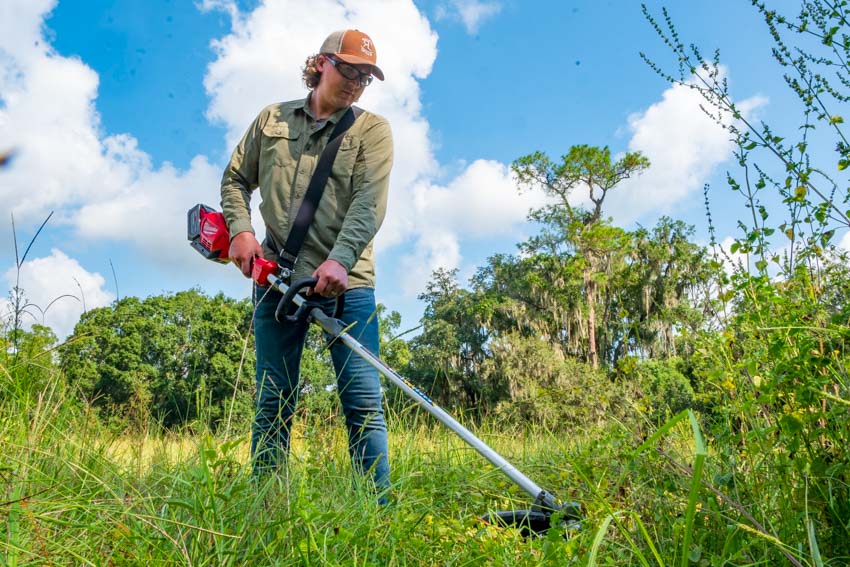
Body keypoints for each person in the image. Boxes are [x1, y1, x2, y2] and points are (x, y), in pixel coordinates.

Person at [219, 29, 393, 499]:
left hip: (347, 283)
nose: (356, 83)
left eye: (365, 77)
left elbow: (369, 204)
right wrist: (241, 230)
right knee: (273, 398)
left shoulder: (372, 131)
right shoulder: (272, 119)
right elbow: (236, 179)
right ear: (321, 63)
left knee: (363, 401)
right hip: (277, 279)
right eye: (349, 69)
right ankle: (267, 505)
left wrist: (339, 261)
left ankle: (376, 513)